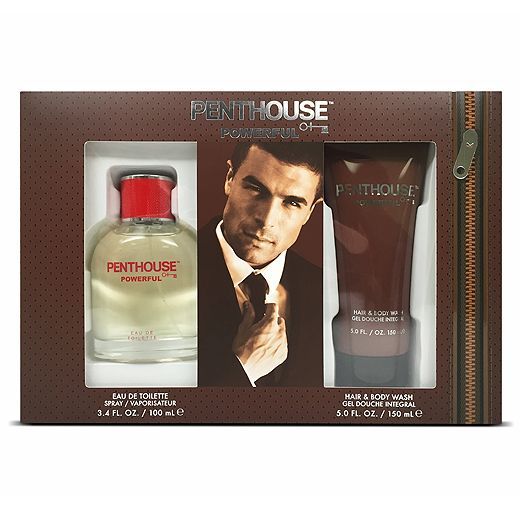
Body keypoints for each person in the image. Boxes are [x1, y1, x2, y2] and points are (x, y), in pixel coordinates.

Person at [198, 142, 323, 387]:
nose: (266, 220)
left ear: (310, 211)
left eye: (292, 203)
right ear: (230, 178)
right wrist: (242, 370)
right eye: (256, 189)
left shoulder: (329, 293)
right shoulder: (166, 273)